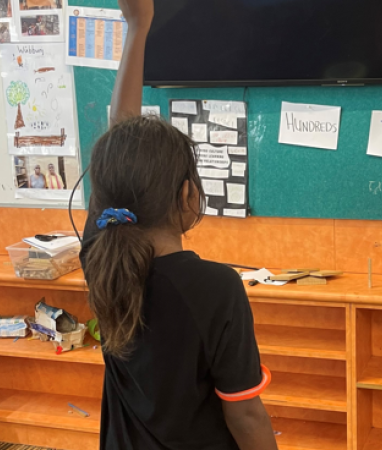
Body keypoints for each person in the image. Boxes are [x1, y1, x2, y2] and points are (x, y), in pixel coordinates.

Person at [78, 1, 278, 449]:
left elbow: (120, 147)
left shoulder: (100, 254)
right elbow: (245, 414)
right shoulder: (216, 287)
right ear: (188, 195)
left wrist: (137, 28)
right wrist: (138, 27)